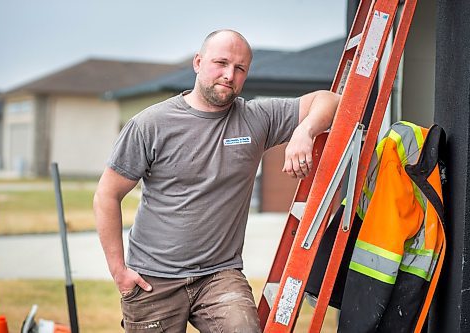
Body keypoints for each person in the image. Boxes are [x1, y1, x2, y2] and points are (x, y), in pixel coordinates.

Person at [93, 29, 340, 333]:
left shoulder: (256, 118)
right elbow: (106, 195)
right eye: (220, 63)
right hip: (152, 280)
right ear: (198, 62)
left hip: (219, 275)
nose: (228, 75)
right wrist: (119, 272)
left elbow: (330, 100)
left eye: (239, 68)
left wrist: (305, 132)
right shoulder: (150, 124)